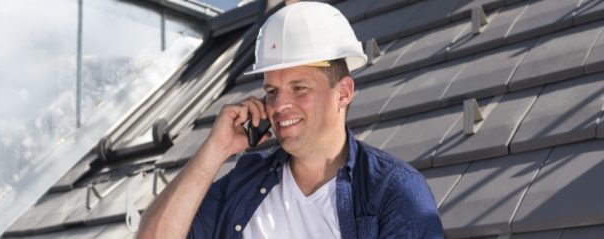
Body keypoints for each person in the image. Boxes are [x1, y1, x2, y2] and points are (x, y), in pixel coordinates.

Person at [137, 2, 443, 238]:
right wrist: (215, 149)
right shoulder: (245, 183)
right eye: (271, 90)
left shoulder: (392, 191)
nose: (279, 104)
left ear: (343, 93)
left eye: (299, 88)